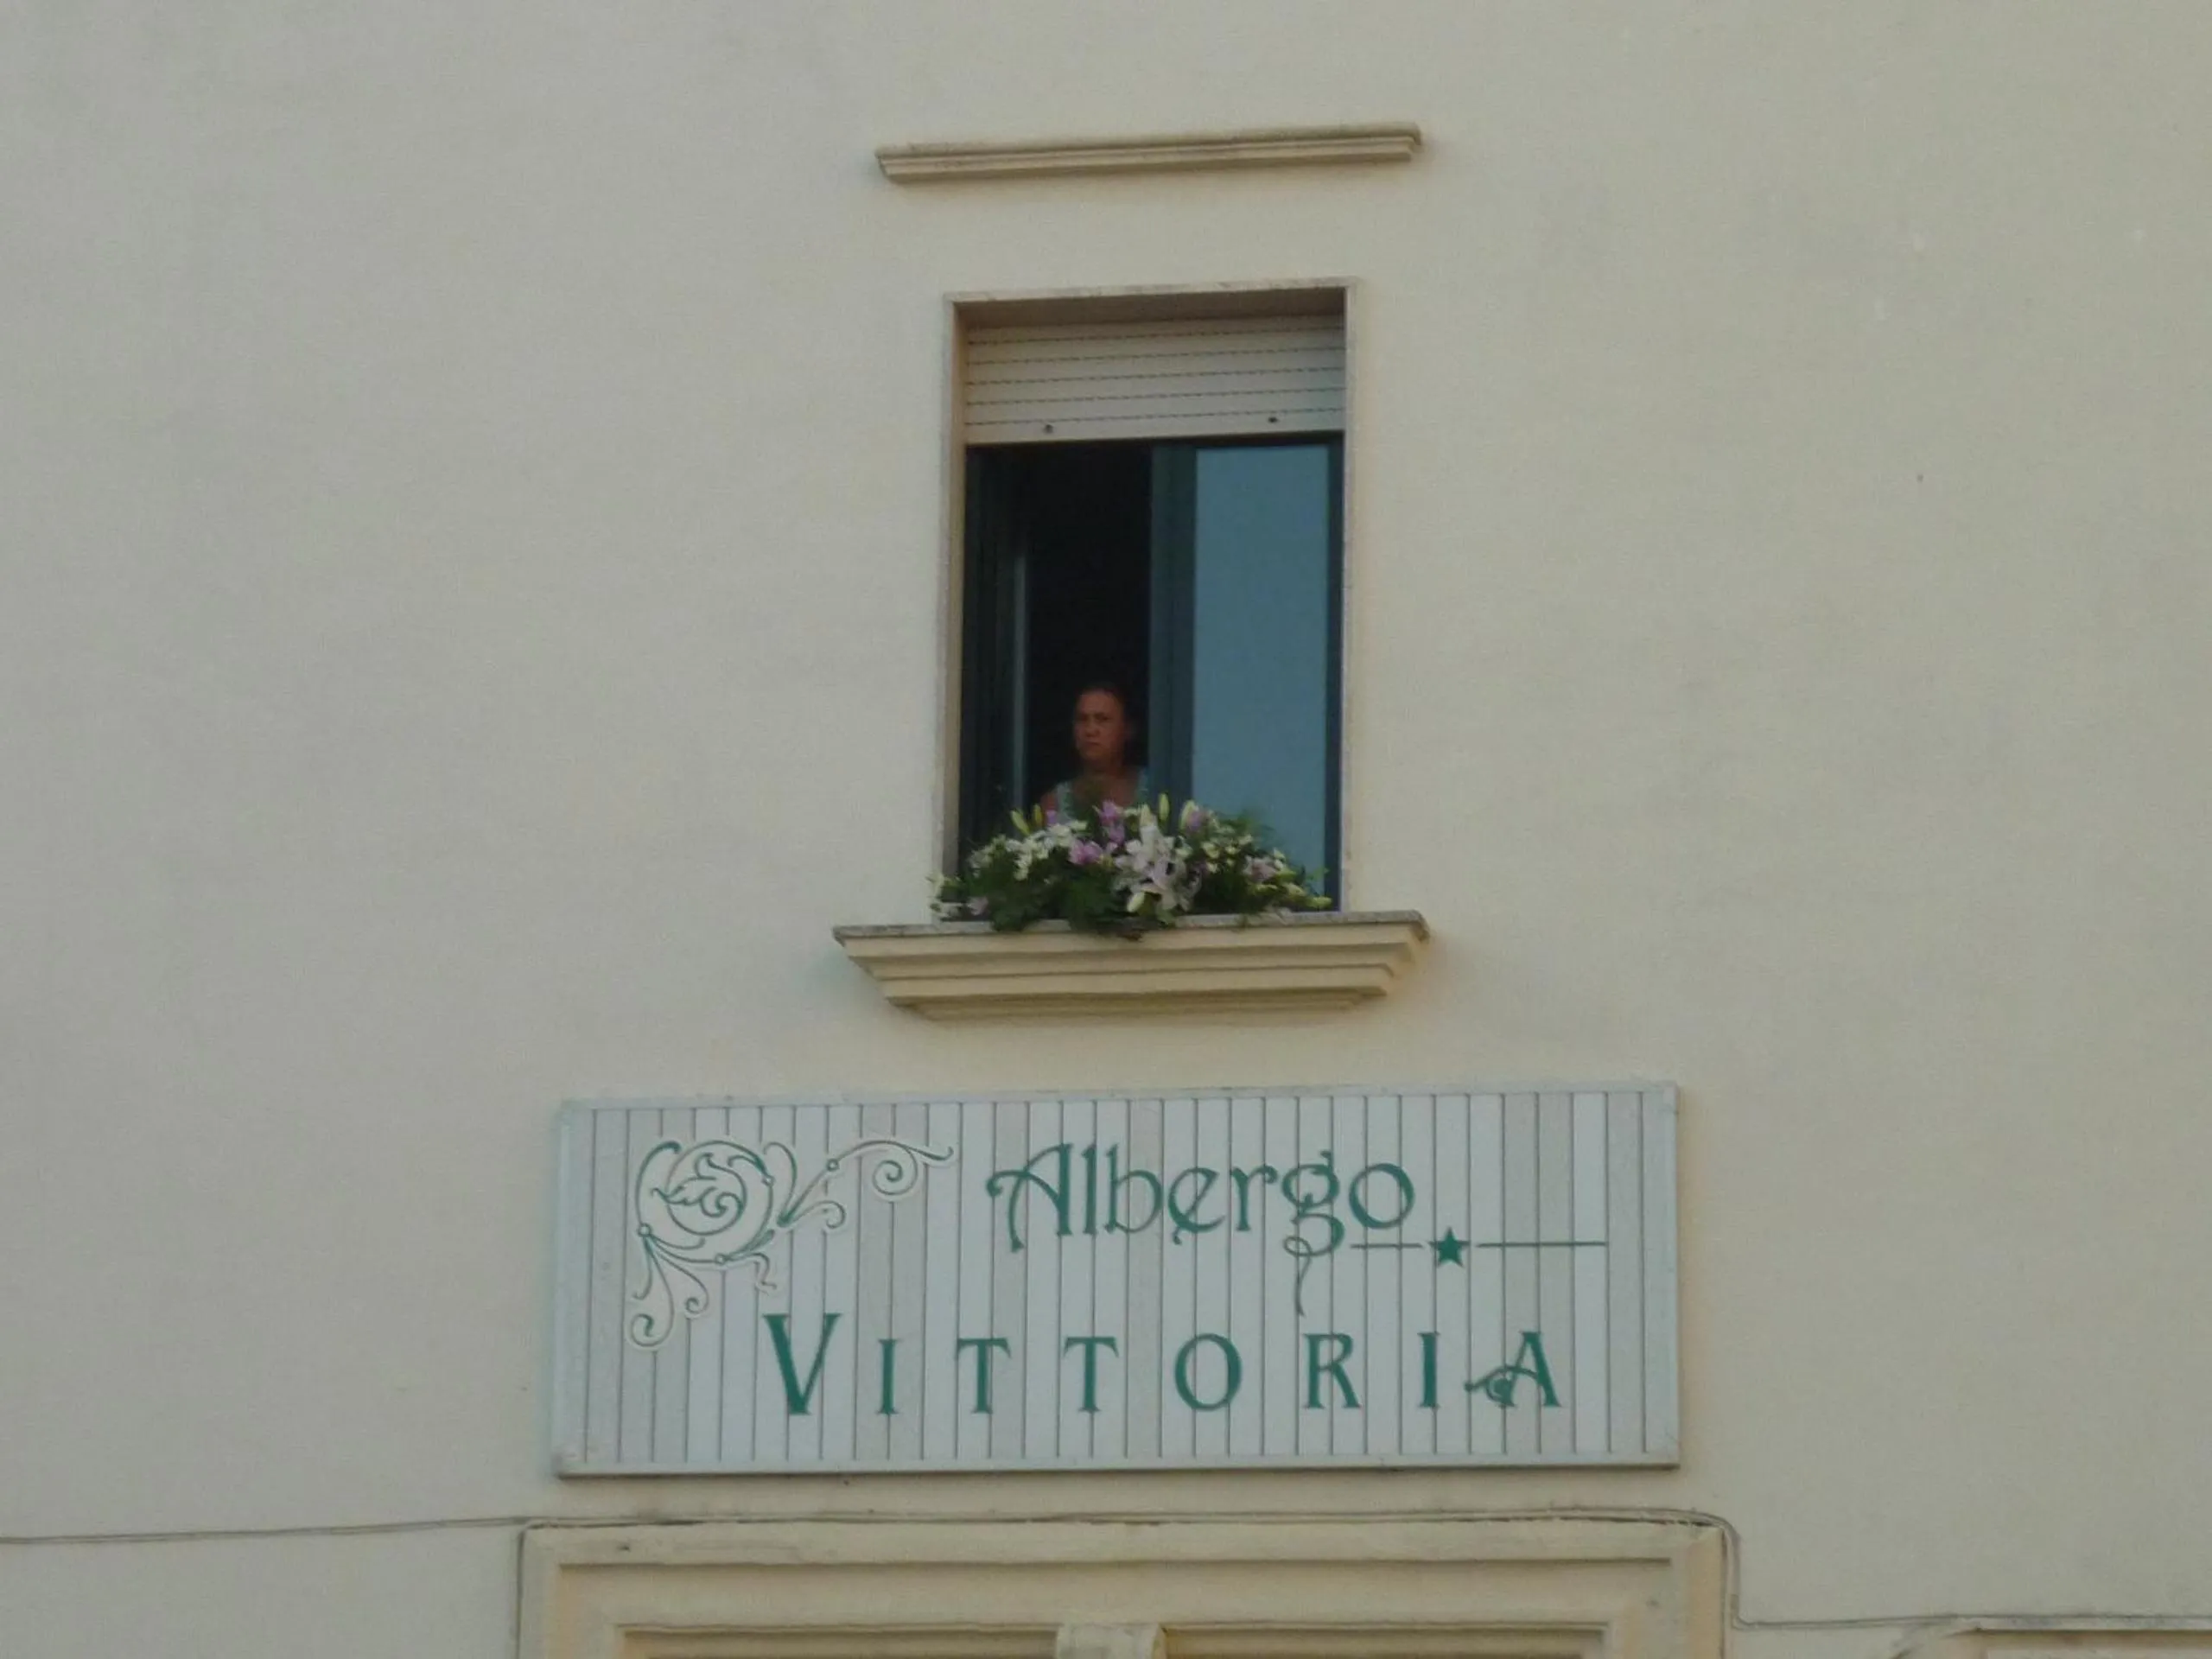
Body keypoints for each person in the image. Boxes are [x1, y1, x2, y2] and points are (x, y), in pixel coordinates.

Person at [1039, 682, 1150, 821]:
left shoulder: (1154, 791)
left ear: (1128, 729)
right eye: (1082, 719)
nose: (1090, 730)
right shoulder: (1053, 805)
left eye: (1102, 719)